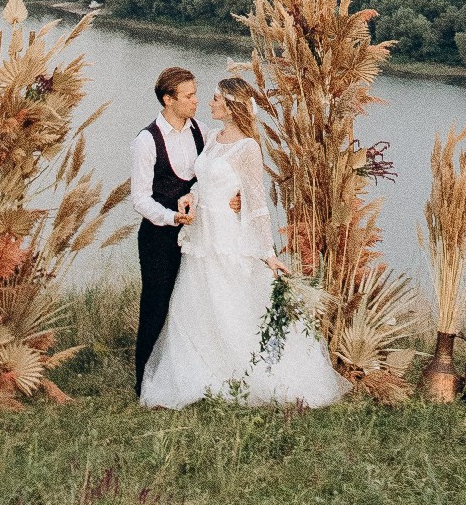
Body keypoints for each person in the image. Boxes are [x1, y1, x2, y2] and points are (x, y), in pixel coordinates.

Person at [140, 74, 345, 411]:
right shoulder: (213, 137)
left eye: (217, 99)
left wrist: (267, 253)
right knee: (193, 309)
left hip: (226, 239)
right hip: (201, 239)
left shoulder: (248, 148)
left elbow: (257, 204)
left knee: (230, 307)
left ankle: (250, 376)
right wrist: (188, 198)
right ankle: (199, 377)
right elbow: (205, 182)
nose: (209, 103)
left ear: (233, 106)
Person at [129, 64, 202, 393]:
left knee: (188, 304)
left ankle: (180, 378)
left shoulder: (197, 129)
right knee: (156, 306)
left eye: (195, 94)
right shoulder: (147, 141)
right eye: (188, 96)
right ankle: (143, 383)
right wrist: (172, 217)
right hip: (159, 237)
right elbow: (140, 199)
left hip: (194, 235)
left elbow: (205, 177)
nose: (196, 101)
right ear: (167, 99)